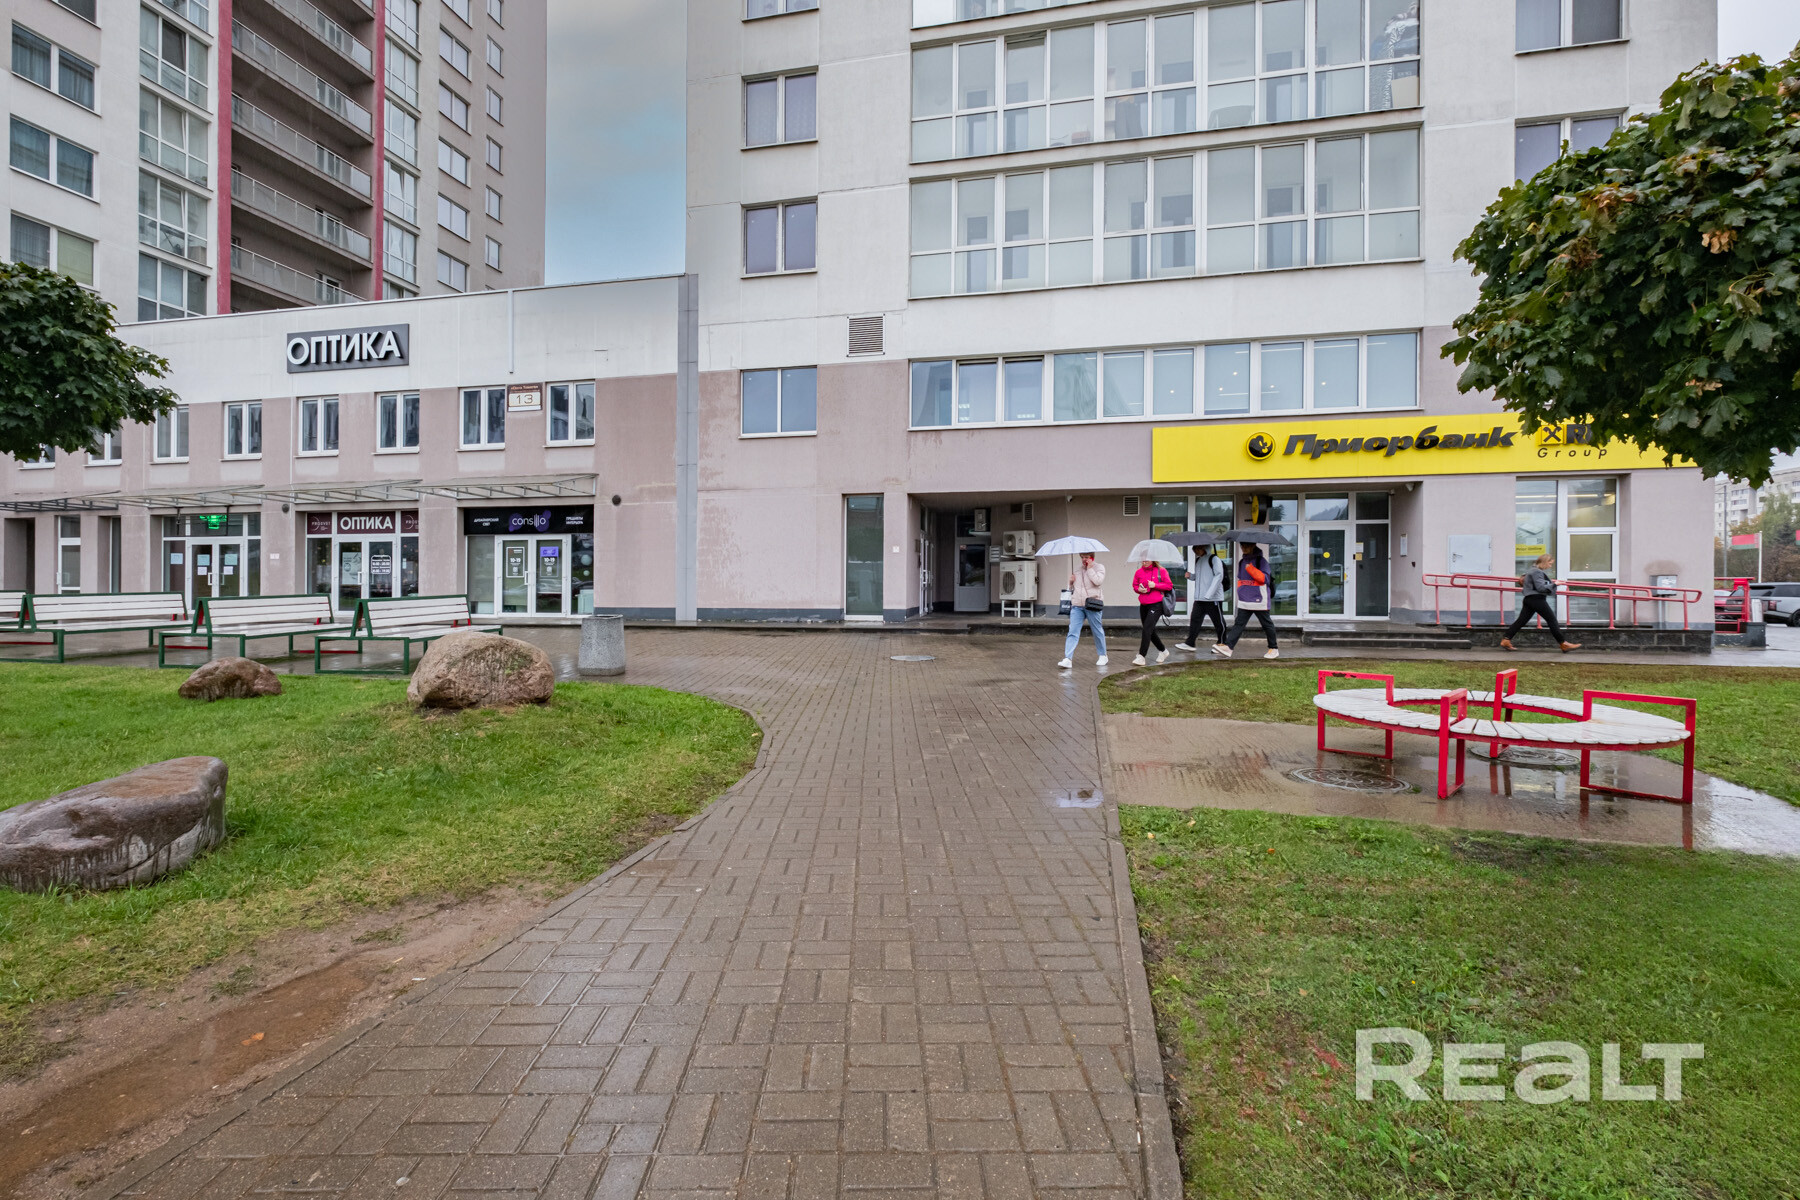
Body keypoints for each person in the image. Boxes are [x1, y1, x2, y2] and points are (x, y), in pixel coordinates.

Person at [1501, 554, 1582, 652]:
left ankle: (1506, 640)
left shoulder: (1532, 570)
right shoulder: (1537, 572)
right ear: (1544, 562)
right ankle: (1563, 643)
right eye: (1550, 563)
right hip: (1536, 599)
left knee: (1521, 621)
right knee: (1552, 620)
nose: (1550, 566)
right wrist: (1555, 584)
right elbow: (1541, 588)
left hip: (1529, 599)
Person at [1214, 542, 1279, 659]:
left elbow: (1265, 579)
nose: (1243, 548)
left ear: (1253, 546)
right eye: (1242, 546)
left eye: (1246, 546)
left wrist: (1251, 569)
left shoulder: (1261, 561)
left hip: (1259, 599)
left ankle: (1273, 649)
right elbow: (1241, 580)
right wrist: (1241, 592)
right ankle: (1229, 648)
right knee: (1239, 624)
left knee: (1266, 624)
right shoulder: (1241, 562)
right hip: (1245, 600)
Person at [1058, 552, 1108, 669]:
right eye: (1082, 557)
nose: (1084, 559)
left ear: (1092, 558)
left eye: (1086, 557)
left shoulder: (1099, 567)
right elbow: (1072, 588)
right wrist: (1070, 583)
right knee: (1072, 631)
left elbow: (1098, 582)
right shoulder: (1077, 569)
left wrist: (1090, 569)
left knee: (1097, 630)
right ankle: (1068, 658)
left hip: (1092, 604)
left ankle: (1103, 655)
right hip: (1077, 605)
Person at [1174, 547, 1226, 653]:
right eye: (1194, 549)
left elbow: (1219, 576)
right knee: (1195, 620)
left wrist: (1209, 594)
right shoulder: (1198, 560)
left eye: (1198, 549)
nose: (1196, 551)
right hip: (1200, 598)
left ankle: (1222, 644)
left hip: (1213, 598)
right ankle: (1190, 643)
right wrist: (1191, 576)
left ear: (1205, 548)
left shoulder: (1214, 559)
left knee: (1218, 622)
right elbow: (1200, 577)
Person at [1131, 557, 1174, 665]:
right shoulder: (1139, 572)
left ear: (1152, 560)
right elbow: (1135, 585)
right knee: (1149, 630)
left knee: (1147, 629)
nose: (1144, 562)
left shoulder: (1161, 571)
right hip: (1144, 604)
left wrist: (1155, 585)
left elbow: (1169, 586)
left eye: (1147, 560)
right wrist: (1139, 589)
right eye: (1143, 560)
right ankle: (1163, 651)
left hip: (1156, 604)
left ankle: (1141, 656)